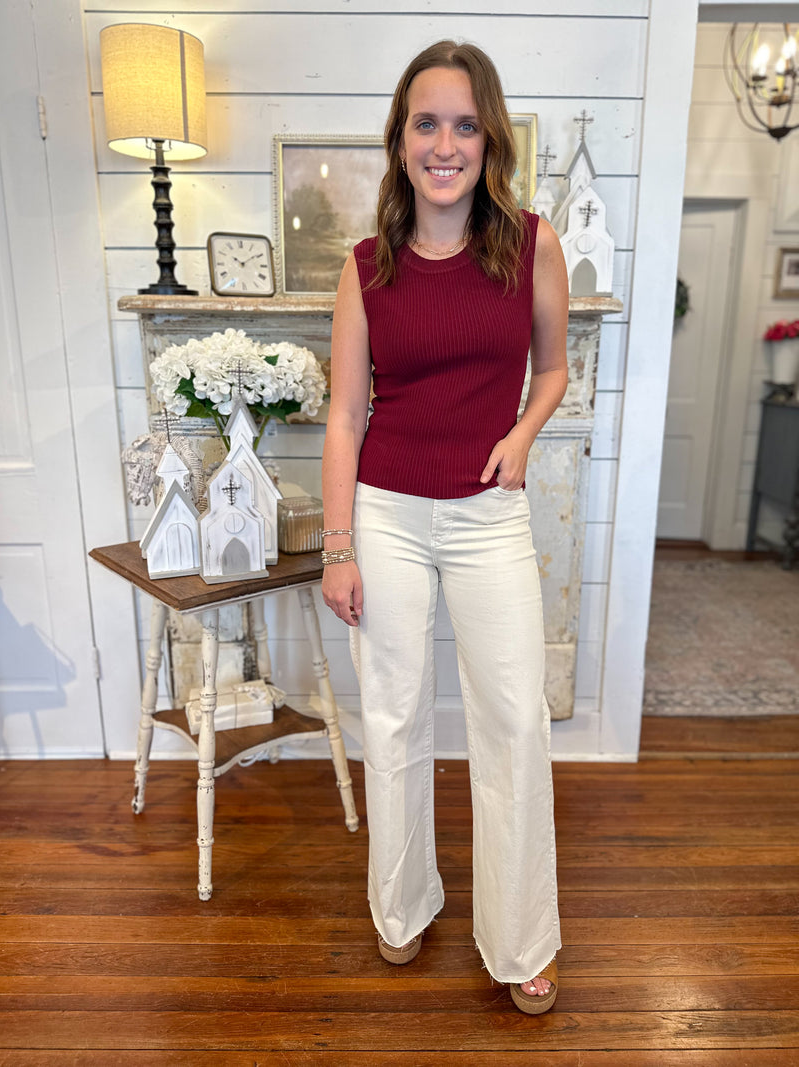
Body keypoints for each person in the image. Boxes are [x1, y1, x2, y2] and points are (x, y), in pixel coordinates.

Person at [321, 39, 568, 1015]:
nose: (444, 142)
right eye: (426, 121)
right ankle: (402, 900)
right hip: (384, 512)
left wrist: (523, 432)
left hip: (485, 516)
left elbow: (550, 368)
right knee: (394, 712)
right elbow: (343, 416)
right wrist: (337, 545)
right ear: (400, 137)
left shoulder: (528, 243)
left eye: (464, 123)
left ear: (487, 137)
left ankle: (519, 937)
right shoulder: (366, 266)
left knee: (512, 719)